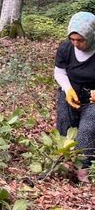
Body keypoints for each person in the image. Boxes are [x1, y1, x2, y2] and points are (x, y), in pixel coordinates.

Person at [54, 11, 95, 182]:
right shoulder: (66, 48)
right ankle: (66, 162)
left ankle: (83, 169)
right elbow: (59, 71)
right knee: (64, 124)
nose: (76, 44)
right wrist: (67, 89)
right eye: (73, 40)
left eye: (80, 40)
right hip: (71, 93)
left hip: (92, 99)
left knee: (87, 131)